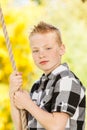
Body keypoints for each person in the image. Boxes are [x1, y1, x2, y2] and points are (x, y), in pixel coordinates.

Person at [9, 21, 86, 130]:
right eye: (35, 50)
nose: (41, 55)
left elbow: (56, 126)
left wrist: (28, 104)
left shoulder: (67, 80)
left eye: (48, 48)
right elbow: (21, 127)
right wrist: (12, 92)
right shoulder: (37, 86)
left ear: (62, 49)